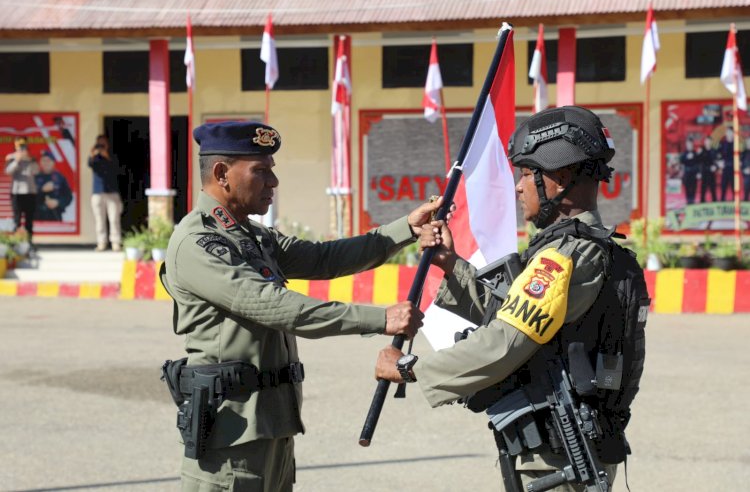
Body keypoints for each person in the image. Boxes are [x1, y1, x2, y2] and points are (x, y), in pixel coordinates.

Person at [375, 106, 649, 491]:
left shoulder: (565, 256)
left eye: (525, 173)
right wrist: (453, 266)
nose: (518, 187)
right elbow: (512, 312)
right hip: (569, 452)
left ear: (561, 178)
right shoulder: (597, 251)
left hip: (556, 460)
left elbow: (506, 340)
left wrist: (409, 368)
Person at [160, 121, 437, 492]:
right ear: (222, 174)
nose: (273, 182)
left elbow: (324, 259)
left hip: (272, 426)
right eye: (261, 171)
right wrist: (379, 318)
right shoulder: (198, 243)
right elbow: (275, 307)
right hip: (232, 438)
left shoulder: (250, 236)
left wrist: (405, 227)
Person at [87, 134, 122, 251]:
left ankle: (115, 242)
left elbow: (117, 168)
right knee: (99, 219)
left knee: (114, 219)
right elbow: (89, 164)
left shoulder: (112, 155)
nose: (101, 146)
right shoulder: (95, 157)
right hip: (97, 192)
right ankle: (101, 242)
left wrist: (106, 154)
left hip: (112, 192)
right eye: (99, 143)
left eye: (103, 143)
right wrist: (93, 152)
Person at [4, 137, 39, 243]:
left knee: (29, 220)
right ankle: (16, 243)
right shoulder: (12, 158)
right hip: (17, 192)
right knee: (17, 219)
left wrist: (29, 159)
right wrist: (17, 161)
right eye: (20, 147)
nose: (22, 150)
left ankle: (29, 243)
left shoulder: (31, 158)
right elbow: (8, 171)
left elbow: (36, 171)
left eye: (24, 147)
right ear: (16, 148)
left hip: (30, 192)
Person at [35, 150, 73, 221]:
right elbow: (29, 199)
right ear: (40, 162)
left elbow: (68, 197)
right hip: (38, 216)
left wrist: (58, 202)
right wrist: (42, 190)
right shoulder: (34, 177)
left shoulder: (60, 178)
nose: (46, 163)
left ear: (53, 162)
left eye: (49, 160)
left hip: (55, 215)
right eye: (44, 160)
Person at [698, 135, 718, 203]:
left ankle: (714, 204)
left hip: (711, 174)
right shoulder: (701, 150)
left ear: (711, 142)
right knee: (703, 190)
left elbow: (717, 161)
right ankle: (702, 203)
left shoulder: (714, 151)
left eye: (709, 141)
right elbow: (698, 162)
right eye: (706, 141)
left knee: (713, 190)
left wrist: (715, 167)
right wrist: (699, 172)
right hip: (704, 173)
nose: (708, 142)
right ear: (704, 142)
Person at [679, 137, 699, 205]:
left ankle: (692, 202)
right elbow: (681, 162)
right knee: (687, 189)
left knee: (693, 188)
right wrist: (687, 157)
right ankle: (688, 202)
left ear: (692, 144)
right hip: (687, 173)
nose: (689, 145)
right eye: (688, 144)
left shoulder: (695, 153)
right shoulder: (684, 153)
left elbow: (698, 163)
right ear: (686, 144)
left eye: (690, 144)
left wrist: (698, 172)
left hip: (694, 173)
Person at [718, 127, 735, 202]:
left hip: (733, 169)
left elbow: (741, 155)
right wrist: (719, 162)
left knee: (734, 187)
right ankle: (722, 202)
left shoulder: (737, 143)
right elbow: (718, 155)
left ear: (733, 134)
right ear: (726, 134)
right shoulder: (722, 143)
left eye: (730, 132)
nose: (729, 134)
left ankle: (735, 204)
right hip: (725, 168)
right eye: (727, 132)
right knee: (723, 186)